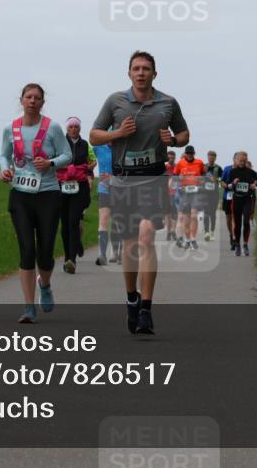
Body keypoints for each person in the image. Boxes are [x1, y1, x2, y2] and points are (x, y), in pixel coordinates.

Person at [90, 51, 189, 335]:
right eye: (136, 68)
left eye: (146, 69)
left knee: (146, 236)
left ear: (154, 74)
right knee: (131, 244)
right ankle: (131, 297)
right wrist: (117, 133)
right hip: (123, 180)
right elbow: (94, 135)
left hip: (154, 177)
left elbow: (184, 134)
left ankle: (146, 308)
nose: (141, 73)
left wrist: (174, 140)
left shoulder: (168, 103)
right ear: (129, 73)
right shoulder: (115, 101)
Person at [0, 84, 72, 323]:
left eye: (37, 98)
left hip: (48, 193)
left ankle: (46, 284)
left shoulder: (53, 127)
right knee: (27, 249)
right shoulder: (10, 128)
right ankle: (29, 307)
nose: (32, 101)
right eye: (28, 97)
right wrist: (5, 169)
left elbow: (67, 155)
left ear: (42, 102)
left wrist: (50, 163)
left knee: (45, 251)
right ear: (21, 100)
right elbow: (4, 155)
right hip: (21, 194)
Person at [57, 117, 94, 273]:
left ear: (80, 128)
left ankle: (72, 260)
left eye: (76, 126)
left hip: (79, 187)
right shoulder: (60, 143)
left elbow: (92, 162)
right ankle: (67, 256)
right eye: (71, 126)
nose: (73, 129)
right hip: (62, 186)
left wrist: (87, 170)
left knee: (73, 221)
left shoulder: (85, 144)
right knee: (65, 223)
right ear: (67, 128)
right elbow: (52, 160)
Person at [225, 151, 257, 256]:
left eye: (244, 161)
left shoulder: (250, 172)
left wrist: (255, 184)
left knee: (246, 222)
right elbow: (227, 185)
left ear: (246, 161)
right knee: (237, 224)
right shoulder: (233, 172)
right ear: (236, 160)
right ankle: (237, 245)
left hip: (247, 200)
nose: (242, 162)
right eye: (240, 161)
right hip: (236, 199)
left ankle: (245, 245)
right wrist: (233, 183)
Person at [173, 145, 206, 250]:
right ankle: (187, 240)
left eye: (191, 153)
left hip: (196, 192)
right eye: (188, 153)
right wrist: (179, 179)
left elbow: (204, 176)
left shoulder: (199, 163)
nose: (190, 155)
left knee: (194, 215)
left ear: (194, 153)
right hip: (184, 193)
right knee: (186, 218)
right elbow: (174, 177)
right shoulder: (180, 163)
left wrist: (201, 181)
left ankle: (193, 239)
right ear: (185, 154)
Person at [93, 140, 116, 264]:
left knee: (117, 221)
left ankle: (115, 253)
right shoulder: (98, 147)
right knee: (104, 220)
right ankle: (102, 255)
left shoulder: (123, 148)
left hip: (120, 189)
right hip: (104, 189)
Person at [202, 150, 223, 240]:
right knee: (206, 212)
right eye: (209, 156)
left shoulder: (218, 168)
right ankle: (206, 232)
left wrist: (217, 180)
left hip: (214, 193)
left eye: (213, 157)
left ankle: (212, 232)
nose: (211, 158)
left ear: (215, 158)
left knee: (213, 213)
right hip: (205, 193)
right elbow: (198, 177)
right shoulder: (203, 167)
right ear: (207, 157)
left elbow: (223, 180)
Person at [221, 153, 238, 250]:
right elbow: (222, 182)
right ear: (233, 159)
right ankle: (231, 236)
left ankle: (235, 239)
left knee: (235, 219)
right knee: (228, 219)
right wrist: (227, 186)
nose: (238, 161)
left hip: (238, 197)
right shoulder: (227, 169)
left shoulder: (242, 170)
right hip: (227, 196)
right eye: (237, 159)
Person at [164, 150, 179, 242]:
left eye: (173, 158)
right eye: (169, 158)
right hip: (165, 193)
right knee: (167, 213)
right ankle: (168, 232)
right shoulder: (164, 167)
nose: (171, 159)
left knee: (175, 212)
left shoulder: (177, 167)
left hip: (176, 193)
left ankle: (173, 230)